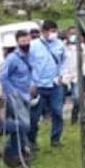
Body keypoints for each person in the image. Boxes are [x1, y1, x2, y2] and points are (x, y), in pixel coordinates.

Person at [29, 19, 67, 150]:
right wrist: (31, 84)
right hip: (38, 86)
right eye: (52, 31)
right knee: (34, 117)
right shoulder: (33, 46)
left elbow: (63, 61)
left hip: (55, 84)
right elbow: (28, 65)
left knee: (57, 112)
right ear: (44, 32)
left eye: (55, 31)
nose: (54, 34)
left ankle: (55, 139)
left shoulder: (60, 45)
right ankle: (32, 141)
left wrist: (61, 74)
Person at [0, 30, 35, 164]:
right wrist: (13, 93)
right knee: (24, 125)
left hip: (28, 95)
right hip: (16, 96)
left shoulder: (31, 55)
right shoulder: (12, 58)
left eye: (27, 41)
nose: (25, 43)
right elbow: (2, 77)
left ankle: (21, 152)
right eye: (22, 41)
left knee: (25, 125)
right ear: (17, 42)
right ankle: (13, 150)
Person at [63, 27, 81, 124]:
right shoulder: (62, 46)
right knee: (59, 100)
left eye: (75, 33)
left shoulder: (81, 47)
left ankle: (74, 118)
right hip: (64, 76)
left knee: (77, 98)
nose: (73, 36)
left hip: (77, 75)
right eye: (71, 34)